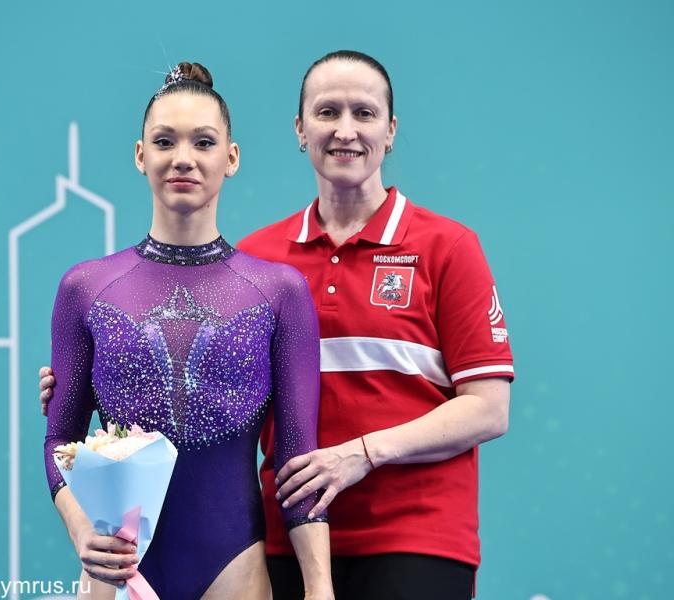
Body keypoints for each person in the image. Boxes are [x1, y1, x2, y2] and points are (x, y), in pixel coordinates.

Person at [41, 50, 514, 600]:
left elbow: (488, 407)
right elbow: (68, 435)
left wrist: (359, 460)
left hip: (409, 536)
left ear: (391, 130)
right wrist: (93, 376)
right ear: (300, 128)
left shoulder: (440, 248)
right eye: (327, 112)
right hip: (272, 541)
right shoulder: (263, 256)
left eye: (363, 113)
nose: (344, 130)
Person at [43, 61, 333, 600]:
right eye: (164, 141)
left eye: (203, 142)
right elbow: (60, 441)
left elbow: (297, 460)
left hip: (234, 562)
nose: (183, 158)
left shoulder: (279, 292)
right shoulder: (85, 288)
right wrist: (82, 532)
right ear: (140, 155)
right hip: (116, 566)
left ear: (231, 158)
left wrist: (320, 588)